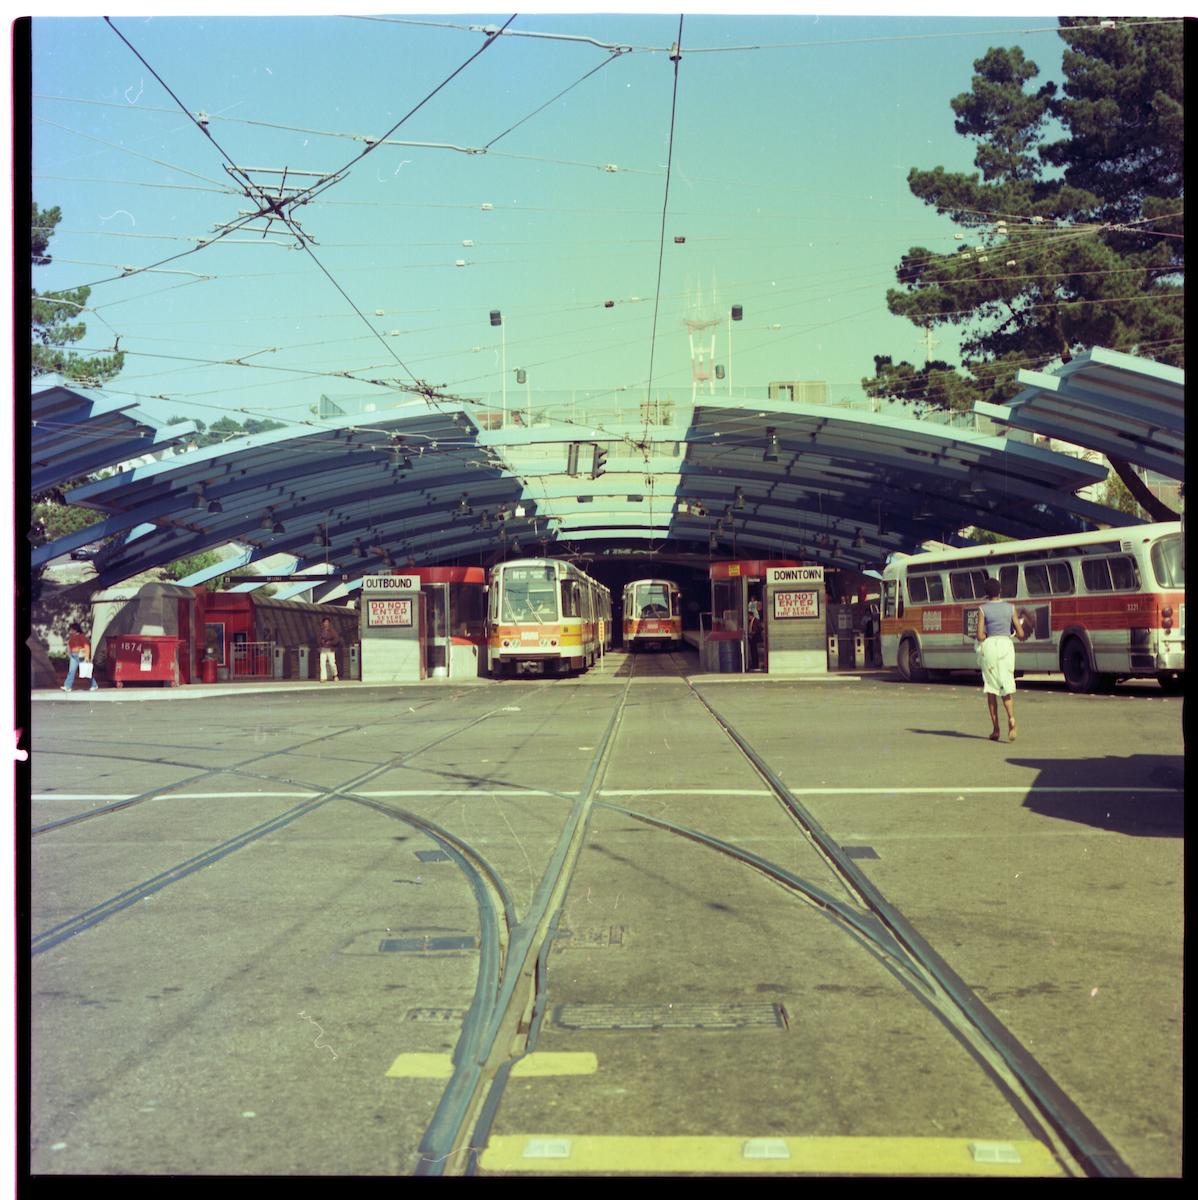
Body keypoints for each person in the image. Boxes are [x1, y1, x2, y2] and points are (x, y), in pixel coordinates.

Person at [975, 577, 1029, 741]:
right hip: (1006, 646)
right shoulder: (1010, 607)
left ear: (986, 593)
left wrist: (985, 635)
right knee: (1005, 684)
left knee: (992, 688)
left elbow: (979, 635)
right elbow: (1020, 634)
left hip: (991, 646)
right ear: (999, 591)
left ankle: (996, 729)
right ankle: (1011, 718)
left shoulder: (983, 609)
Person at [64, 622, 98, 692]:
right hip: (73, 656)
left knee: (85, 671)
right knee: (71, 671)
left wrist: (86, 657)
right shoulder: (72, 637)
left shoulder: (81, 636)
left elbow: (86, 646)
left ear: (75, 630)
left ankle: (94, 685)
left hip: (81, 656)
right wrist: (69, 653)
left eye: (71, 629)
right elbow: (70, 646)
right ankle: (67, 686)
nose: (70, 631)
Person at [318, 617, 342, 682]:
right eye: (324, 622)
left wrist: (330, 642)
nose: (326, 624)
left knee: (332, 663)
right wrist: (321, 641)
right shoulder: (321, 631)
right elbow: (318, 639)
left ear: (329, 623)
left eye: (327, 622)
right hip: (323, 649)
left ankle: (335, 675)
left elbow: (337, 639)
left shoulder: (332, 631)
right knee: (322, 663)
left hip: (330, 649)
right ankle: (323, 677)